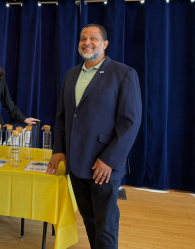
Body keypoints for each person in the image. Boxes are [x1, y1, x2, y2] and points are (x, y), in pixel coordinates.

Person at [46, 24, 142, 248]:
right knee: (89, 221)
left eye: (93, 38)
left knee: (106, 225)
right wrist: (59, 149)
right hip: (76, 164)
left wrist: (109, 159)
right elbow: (62, 116)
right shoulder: (71, 75)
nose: (87, 42)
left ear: (105, 44)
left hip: (104, 166)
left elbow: (130, 122)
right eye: (83, 38)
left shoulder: (124, 73)